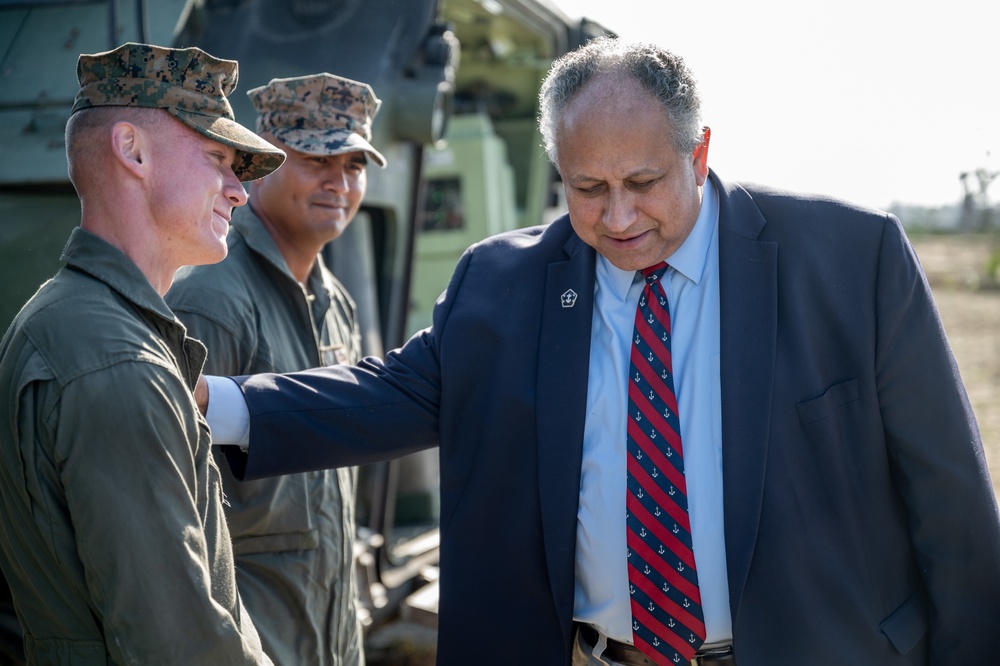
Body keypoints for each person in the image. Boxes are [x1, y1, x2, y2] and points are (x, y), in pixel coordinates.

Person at [200, 36, 1000, 665]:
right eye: (587, 189)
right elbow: (398, 393)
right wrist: (217, 403)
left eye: (643, 182)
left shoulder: (852, 261)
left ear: (700, 153)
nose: (617, 217)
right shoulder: (501, 283)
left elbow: (952, 506)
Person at [0, 42, 285, 664]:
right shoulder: (117, 360)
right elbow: (180, 645)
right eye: (218, 158)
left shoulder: (74, 322)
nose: (239, 191)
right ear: (131, 151)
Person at [167, 72, 386, 666]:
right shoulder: (211, 295)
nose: (338, 183)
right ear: (263, 163)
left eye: (354, 166)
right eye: (316, 159)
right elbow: (170, 515)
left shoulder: (333, 299)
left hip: (327, 634)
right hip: (251, 641)